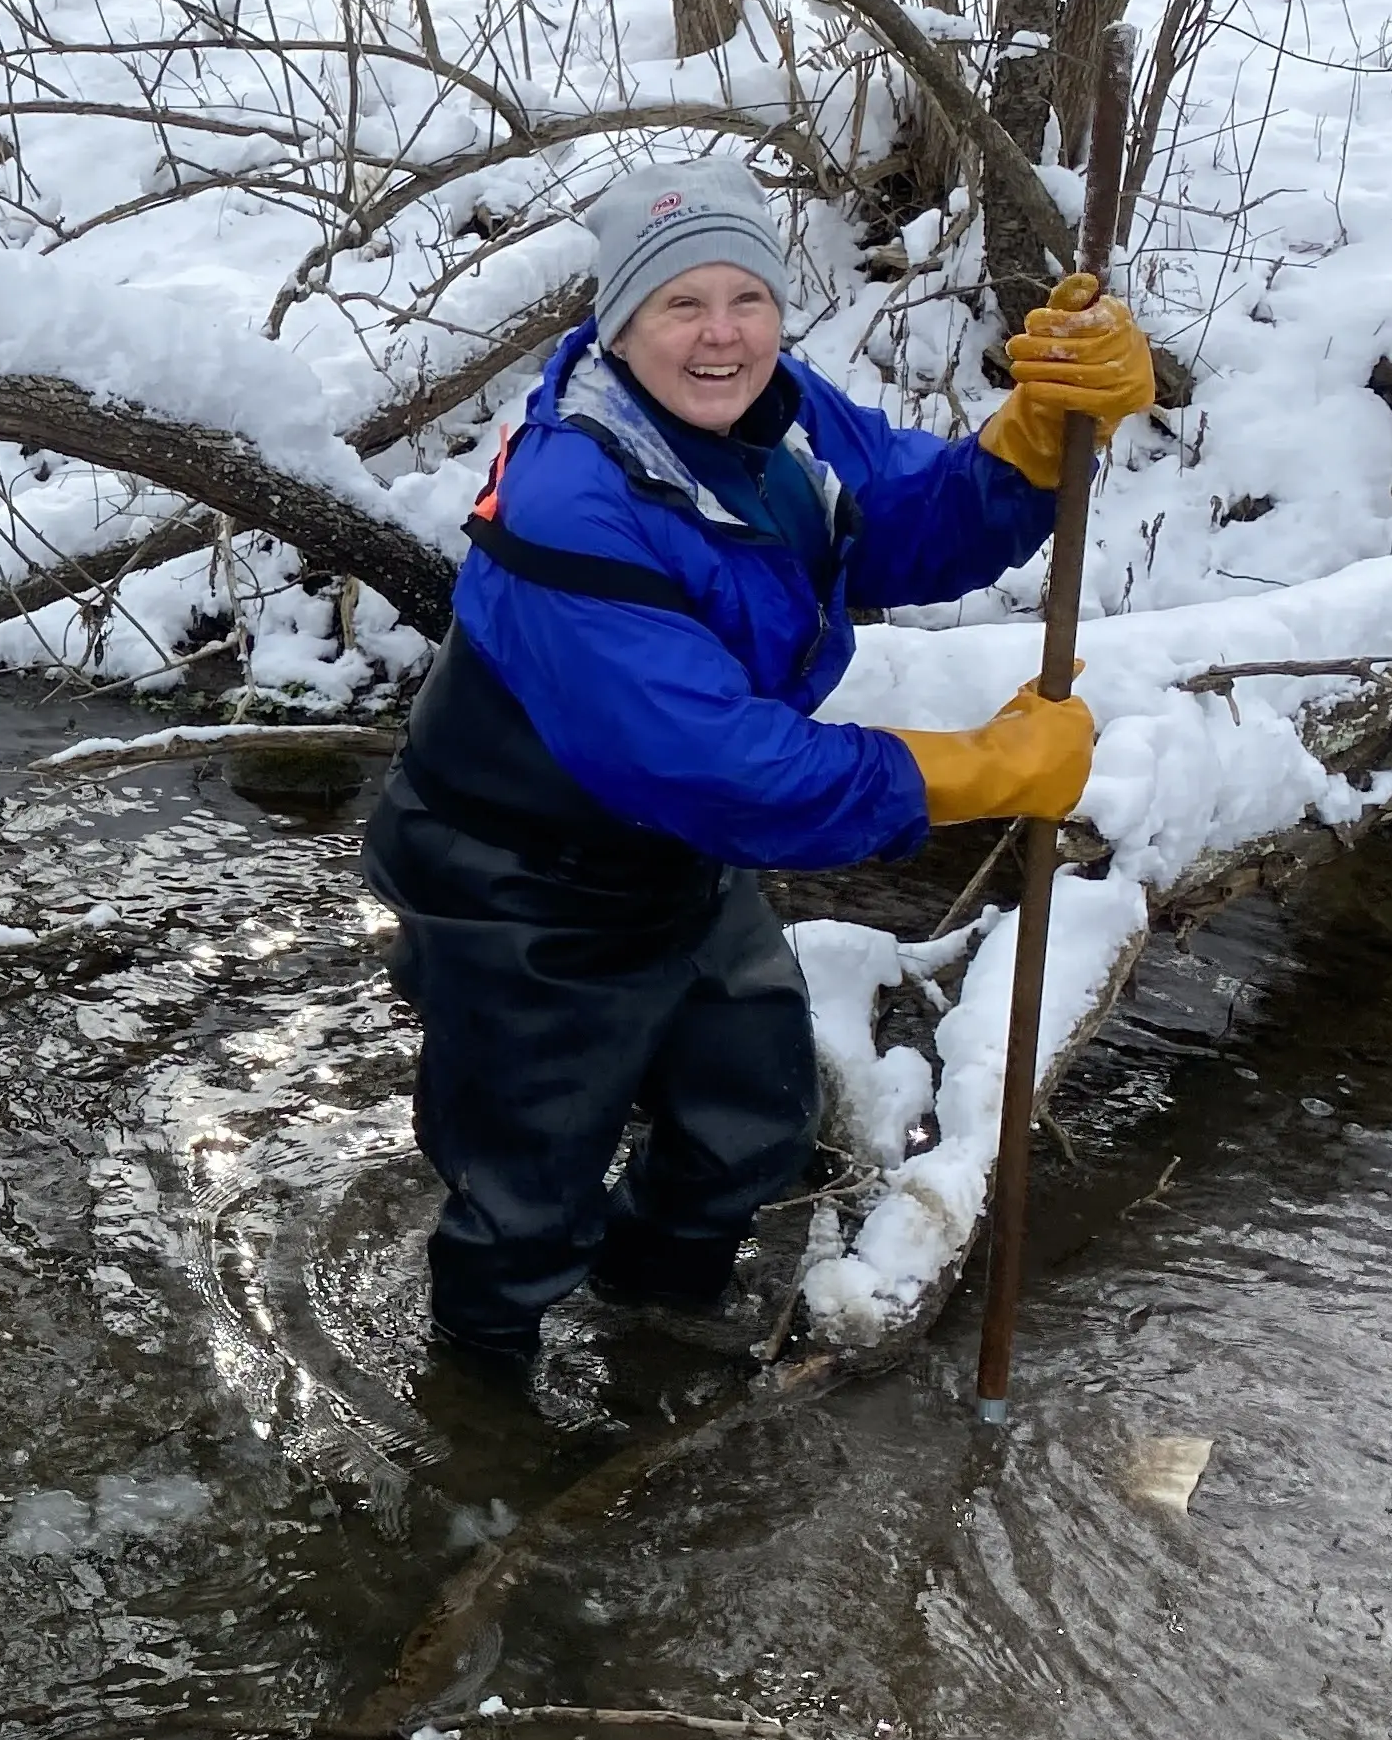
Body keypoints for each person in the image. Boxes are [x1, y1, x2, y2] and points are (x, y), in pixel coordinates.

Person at [364, 157, 1156, 1379]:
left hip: (672, 855)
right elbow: (725, 767)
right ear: (620, 325)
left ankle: (656, 1325)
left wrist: (1033, 447)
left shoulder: (775, 414)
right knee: (527, 1193)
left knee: (750, 1116)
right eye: (682, 305)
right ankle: (480, 1411)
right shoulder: (574, 497)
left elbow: (904, 520)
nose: (722, 334)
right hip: (519, 880)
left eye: (748, 298)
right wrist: (979, 771)